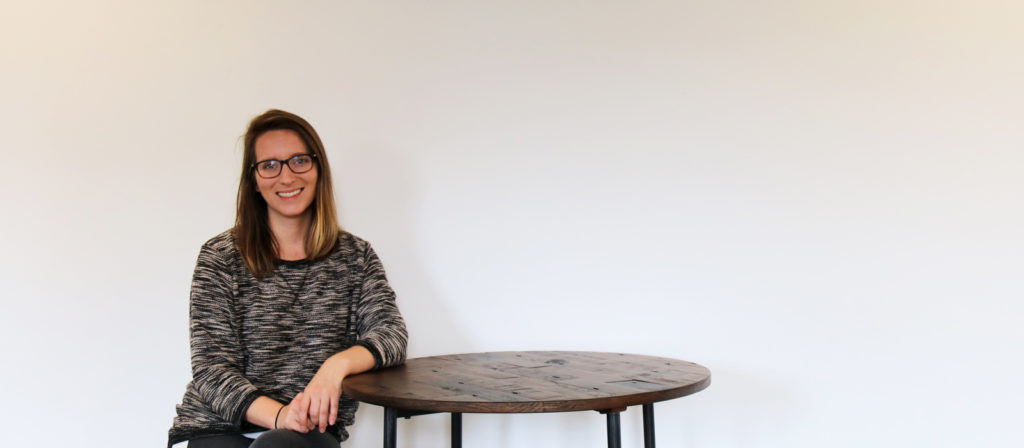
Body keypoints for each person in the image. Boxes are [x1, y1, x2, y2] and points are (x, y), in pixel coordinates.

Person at [167, 109, 408, 448]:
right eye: (269, 165)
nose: (286, 176)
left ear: (317, 168)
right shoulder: (221, 256)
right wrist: (281, 415)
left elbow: (391, 334)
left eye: (298, 161)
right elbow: (212, 371)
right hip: (217, 427)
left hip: (306, 434)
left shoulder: (355, 257)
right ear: (253, 179)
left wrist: (334, 367)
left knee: (279, 445)